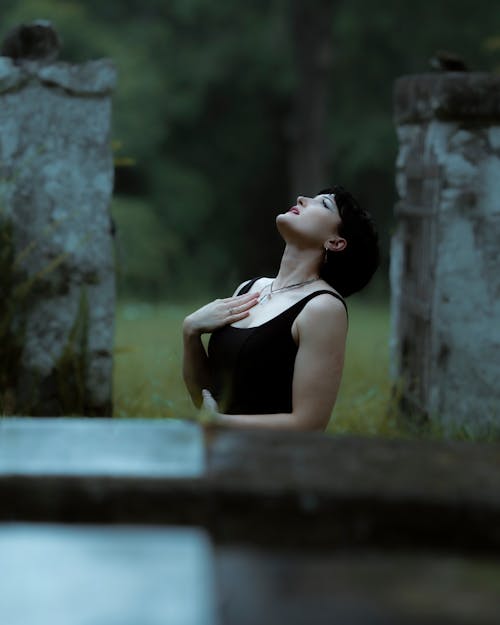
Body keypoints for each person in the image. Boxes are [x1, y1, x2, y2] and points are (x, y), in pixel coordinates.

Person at [182, 186, 379, 431]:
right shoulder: (250, 288)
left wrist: (220, 423)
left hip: (274, 460)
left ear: (336, 242)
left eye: (324, 204)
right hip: (219, 453)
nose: (302, 199)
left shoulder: (323, 307)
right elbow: (206, 398)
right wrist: (190, 332)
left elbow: (309, 424)